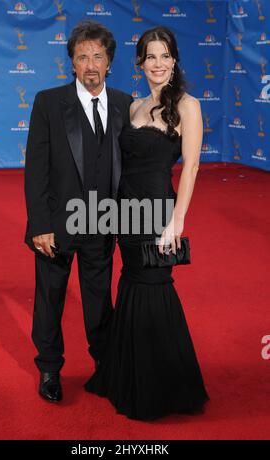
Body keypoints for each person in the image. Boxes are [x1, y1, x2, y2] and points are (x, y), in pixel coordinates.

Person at [84, 26, 209, 420]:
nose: (158, 64)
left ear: (174, 61)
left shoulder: (187, 105)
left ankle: (165, 385)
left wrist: (177, 221)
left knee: (155, 285)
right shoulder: (133, 106)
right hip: (126, 212)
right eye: (150, 56)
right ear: (140, 62)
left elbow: (190, 167)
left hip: (157, 210)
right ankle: (130, 375)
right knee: (133, 283)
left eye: (165, 56)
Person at [24, 21, 133, 403]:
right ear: (71, 62)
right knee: (50, 297)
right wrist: (39, 224)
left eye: (97, 56)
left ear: (109, 62)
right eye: (82, 56)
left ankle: (105, 366)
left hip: (103, 223)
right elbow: (36, 169)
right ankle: (50, 369)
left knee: (99, 299)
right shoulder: (48, 102)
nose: (90, 64)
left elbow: (132, 166)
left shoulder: (124, 103)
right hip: (56, 224)